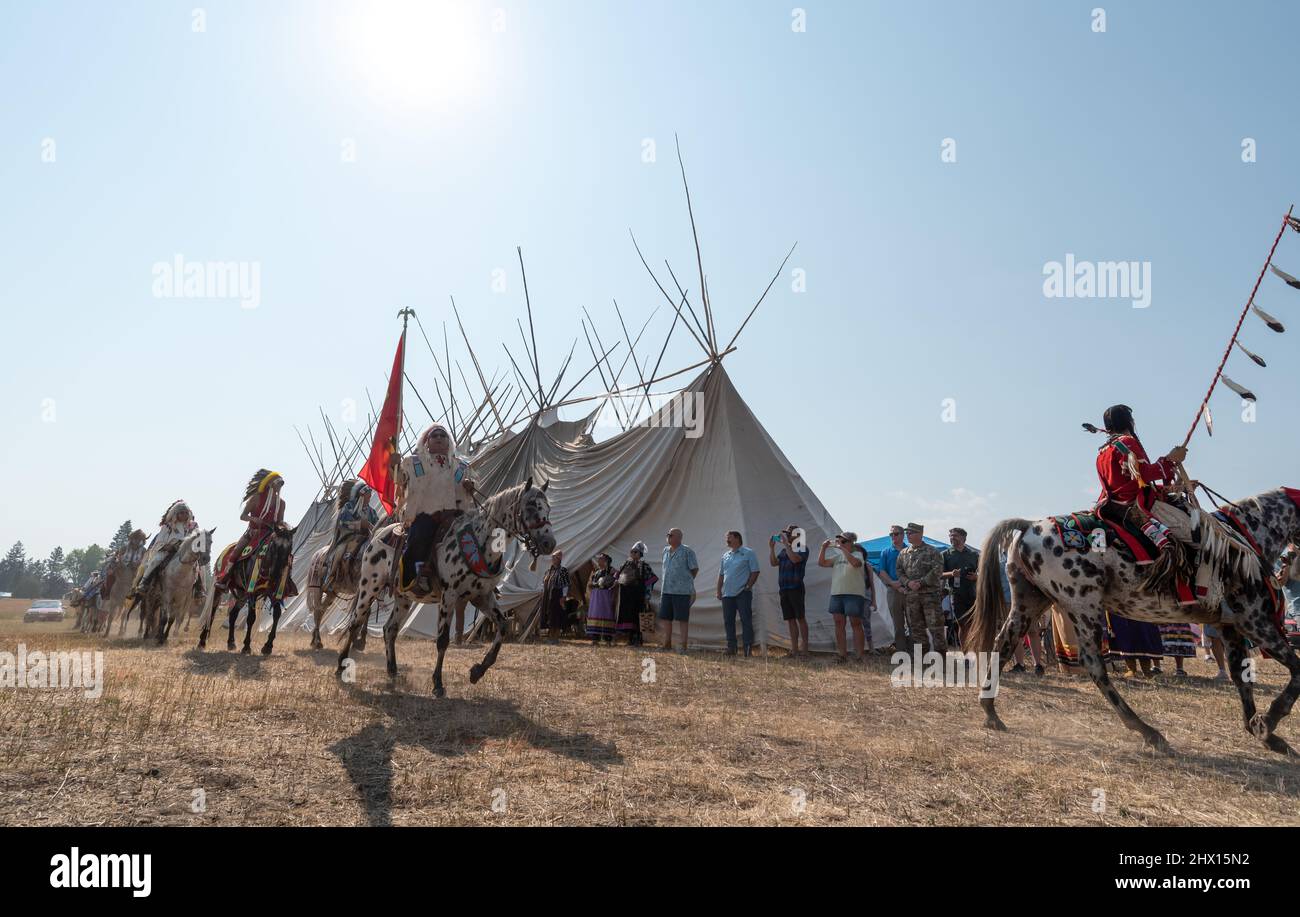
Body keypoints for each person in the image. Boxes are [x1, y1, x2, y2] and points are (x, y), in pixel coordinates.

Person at [396, 423, 476, 602]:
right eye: (435, 436)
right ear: (427, 442)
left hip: (454, 515)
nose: (439, 438)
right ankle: (419, 573)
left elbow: (465, 490)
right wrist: (393, 466)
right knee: (419, 537)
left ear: (449, 442)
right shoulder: (414, 462)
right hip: (427, 514)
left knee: (478, 536)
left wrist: (470, 486)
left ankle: (478, 575)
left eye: (443, 435)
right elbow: (401, 481)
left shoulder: (460, 467)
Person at [1094, 404, 1187, 554]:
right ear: (1129, 422)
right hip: (1134, 505)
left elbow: (1127, 484)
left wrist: (1175, 488)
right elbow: (1142, 474)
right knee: (1191, 535)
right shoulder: (1126, 443)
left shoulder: (1102, 452)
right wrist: (1169, 460)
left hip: (1111, 504)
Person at [214, 472, 286, 589]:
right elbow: (243, 516)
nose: (280, 487)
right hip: (253, 533)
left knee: (284, 552)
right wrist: (253, 519)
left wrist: (283, 529)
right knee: (237, 551)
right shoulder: (256, 498)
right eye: (278, 483)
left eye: (282, 484)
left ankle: (283, 584)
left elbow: (280, 521)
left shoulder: (281, 503)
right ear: (270, 484)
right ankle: (225, 579)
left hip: (271, 535)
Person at [131, 499, 200, 600]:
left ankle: (199, 589)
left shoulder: (191, 526)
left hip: (182, 553)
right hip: (167, 551)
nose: (184, 515)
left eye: (186, 513)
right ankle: (144, 583)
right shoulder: (168, 525)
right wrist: (166, 546)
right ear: (176, 513)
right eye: (181, 513)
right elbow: (159, 541)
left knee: (196, 567)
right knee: (156, 561)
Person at [818, 532, 868, 663]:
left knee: (855, 624)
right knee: (839, 623)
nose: (840, 543)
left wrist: (842, 549)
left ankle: (859, 656)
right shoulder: (837, 556)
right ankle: (842, 655)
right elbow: (822, 563)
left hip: (854, 593)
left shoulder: (858, 554)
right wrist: (823, 548)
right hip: (837, 593)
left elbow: (856, 564)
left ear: (852, 542)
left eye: (844, 541)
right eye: (839, 540)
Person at [895, 522, 945, 654]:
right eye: (907, 533)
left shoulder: (932, 551)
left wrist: (921, 583)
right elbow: (899, 571)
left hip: (930, 596)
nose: (908, 535)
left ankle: (941, 659)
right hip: (912, 597)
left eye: (911, 533)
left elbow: (937, 570)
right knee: (916, 629)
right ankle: (921, 659)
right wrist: (908, 583)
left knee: (936, 629)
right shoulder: (903, 553)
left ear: (920, 534)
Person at [322, 479, 379, 592]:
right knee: (340, 552)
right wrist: (360, 524)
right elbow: (343, 523)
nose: (370, 495)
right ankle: (330, 577)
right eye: (368, 493)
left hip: (367, 537)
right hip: (348, 538)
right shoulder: (349, 507)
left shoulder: (371, 512)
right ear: (361, 495)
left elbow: (377, 525)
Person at [717, 531, 760, 656]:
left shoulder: (748, 553)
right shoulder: (725, 556)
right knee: (728, 621)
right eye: (726, 537)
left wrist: (748, 586)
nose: (727, 540)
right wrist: (718, 590)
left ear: (737, 538)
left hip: (742, 593)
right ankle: (731, 647)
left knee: (746, 620)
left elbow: (755, 571)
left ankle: (747, 648)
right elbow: (721, 575)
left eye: (729, 537)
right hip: (727, 594)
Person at [769, 524, 810, 656]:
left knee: (800, 618)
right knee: (790, 619)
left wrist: (786, 544)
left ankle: (805, 649)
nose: (787, 535)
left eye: (789, 533)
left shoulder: (802, 548)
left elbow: (795, 559)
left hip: (796, 587)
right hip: (784, 588)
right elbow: (774, 563)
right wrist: (771, 548)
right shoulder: (784, 550)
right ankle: (794, 649)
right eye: (786, 532)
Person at [658, 528, 699, 653]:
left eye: (671, 535)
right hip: (666, 590)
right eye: (667, 534)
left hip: (682, 591)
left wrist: (685, 580)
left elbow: (694, 569)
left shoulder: (687, 551)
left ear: (679, 538)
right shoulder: (665, 551)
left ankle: (683, 645)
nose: (668, 537)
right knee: (666, 617)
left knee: (682, 618)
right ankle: (667, 643)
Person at [872, 525, 909, 652]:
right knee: (897, 624)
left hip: (910, 590)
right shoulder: (886, 552)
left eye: (896, 534)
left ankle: (915, 652)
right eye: (891, 534)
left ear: (903, 535)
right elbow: (882, 572)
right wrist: (894, 584)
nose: (893, 536)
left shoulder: (910, 550)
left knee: (914, 623)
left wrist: (904, 583)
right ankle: (901, 652)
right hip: (893, 591)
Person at [940, 527, 979, 647]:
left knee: (975, 624)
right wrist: (951, 574)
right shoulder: (945, 554)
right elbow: (939, 574)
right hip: (956, 594)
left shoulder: (973, 554)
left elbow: (984, 573)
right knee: (962, 624)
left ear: (963, 538)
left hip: (974, 594)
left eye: (955, 535)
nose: (952, 538)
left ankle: (976, 650)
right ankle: (966, 653)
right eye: (950, 535)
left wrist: (976, 577)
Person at [616, 542, 656, 646]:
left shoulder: (644, 566)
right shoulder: (625, 564)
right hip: (626, 596)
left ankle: (637, 639)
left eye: (635, 552)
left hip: (638, 595)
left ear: (640, 554)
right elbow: (617, 577)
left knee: (637, 616)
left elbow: (651, 580)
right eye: (631, 552)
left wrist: (647, 596)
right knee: (627, 616)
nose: (633, 554)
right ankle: (629, 638)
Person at [585, 553, 618, 645]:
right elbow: (590, 584)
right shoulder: (596, 572)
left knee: (606, 614)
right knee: (596, 615)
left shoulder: (611, 570)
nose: (599, 561)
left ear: (606, 561)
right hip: (596, 596)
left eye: (601, 559)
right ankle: (595, 638)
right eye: (598, 559)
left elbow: (617, 578)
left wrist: (610, 582)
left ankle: (608, 638)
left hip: (606, 595)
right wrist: (594, 584)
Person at [540, 551, 571, 645]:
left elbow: (566, 585)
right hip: (548, 596)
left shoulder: (563, 571)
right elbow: (543, 583)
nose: (553, 560)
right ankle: (550, 637)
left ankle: (555, 637)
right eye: (552, 558)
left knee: (556, 617)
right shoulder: (549, 571)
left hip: (558, 595)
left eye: (555, 558)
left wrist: (564, 596)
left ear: (559, 559)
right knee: (549, 616)